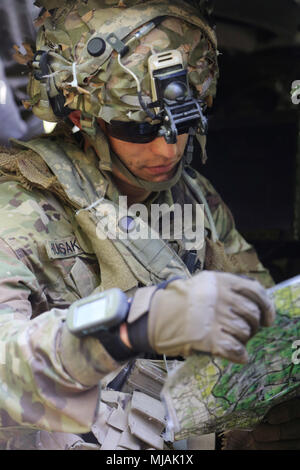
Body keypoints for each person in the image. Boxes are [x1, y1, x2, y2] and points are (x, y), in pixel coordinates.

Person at [0, 0, 296, 451]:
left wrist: (244, 430)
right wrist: (132, 325)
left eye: (183, 121)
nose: (167, 150)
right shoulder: (16, 206)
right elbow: (7, 366)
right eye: (139, 129)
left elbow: (261, 333)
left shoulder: (196, 197)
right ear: (82, 117)